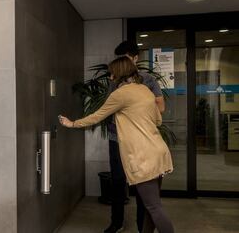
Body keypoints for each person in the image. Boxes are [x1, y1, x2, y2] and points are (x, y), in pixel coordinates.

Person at [59, 56, 174, 233]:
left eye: (112, 72)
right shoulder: (145, 90)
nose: (110, 76)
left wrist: (72, 123)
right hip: (158, 151)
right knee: (151, 207)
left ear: (118, 73)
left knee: (154, 208)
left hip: (143, 156)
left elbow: (98, 115)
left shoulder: (121, 94)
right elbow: (158, 120)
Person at [106, 41, 166, 233]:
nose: (122, 63)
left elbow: (161, 108)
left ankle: (143, 227)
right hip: (116, 139)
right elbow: (109, 108)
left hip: (139, 142)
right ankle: (116, 223)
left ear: (135, 58)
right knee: (117, 182)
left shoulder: (147, 80)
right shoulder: (114, 81)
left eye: (125, 58)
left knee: (143, 185)